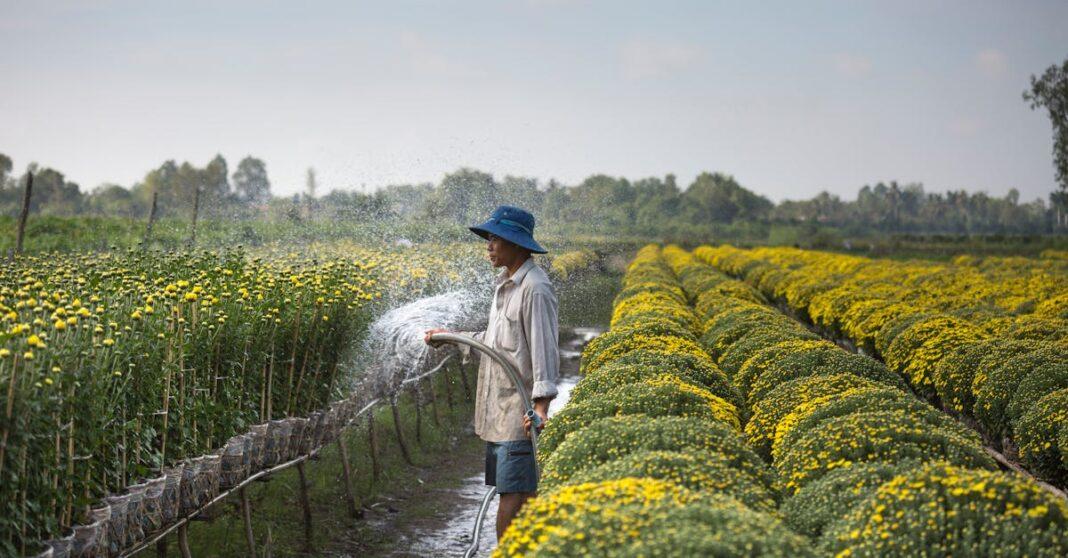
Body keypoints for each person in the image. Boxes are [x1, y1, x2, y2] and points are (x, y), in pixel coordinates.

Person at [424, 205, 559, 540]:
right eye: (489, 238)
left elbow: (544, 350)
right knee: (516, 493)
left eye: (496, 239)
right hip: (498, 412)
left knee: (514, 497)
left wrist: (540, 408)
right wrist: (450, 338)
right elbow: (496, 342)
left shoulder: (535, 289)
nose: (489, 245)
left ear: (517, 243)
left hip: (519, 414)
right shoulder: (505, 286)